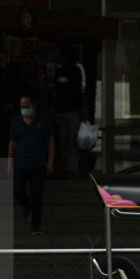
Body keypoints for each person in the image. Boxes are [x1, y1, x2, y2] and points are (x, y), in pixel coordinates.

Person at [8, 94, 54, 236]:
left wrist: (50, 162)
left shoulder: (44, 121)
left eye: (27, 105)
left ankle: (36, 225)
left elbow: (51, 142)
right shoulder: (16, 122)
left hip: (38, 163)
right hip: (21, 162)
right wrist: (9, 162)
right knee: (17, 189)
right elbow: (12, 142)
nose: (25, 108)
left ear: (33, 105)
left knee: (37, 194)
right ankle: (27, 206)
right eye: (22, 106)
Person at [52, 43, 89, 179]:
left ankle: (71, 170)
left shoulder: (76, 70)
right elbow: (56, 91)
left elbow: (83, 90)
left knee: (71, 141)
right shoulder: (59, 71)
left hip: (72, 110)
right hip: (63, 110)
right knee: (65, 141)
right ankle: (69, 169)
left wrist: (83, 109)